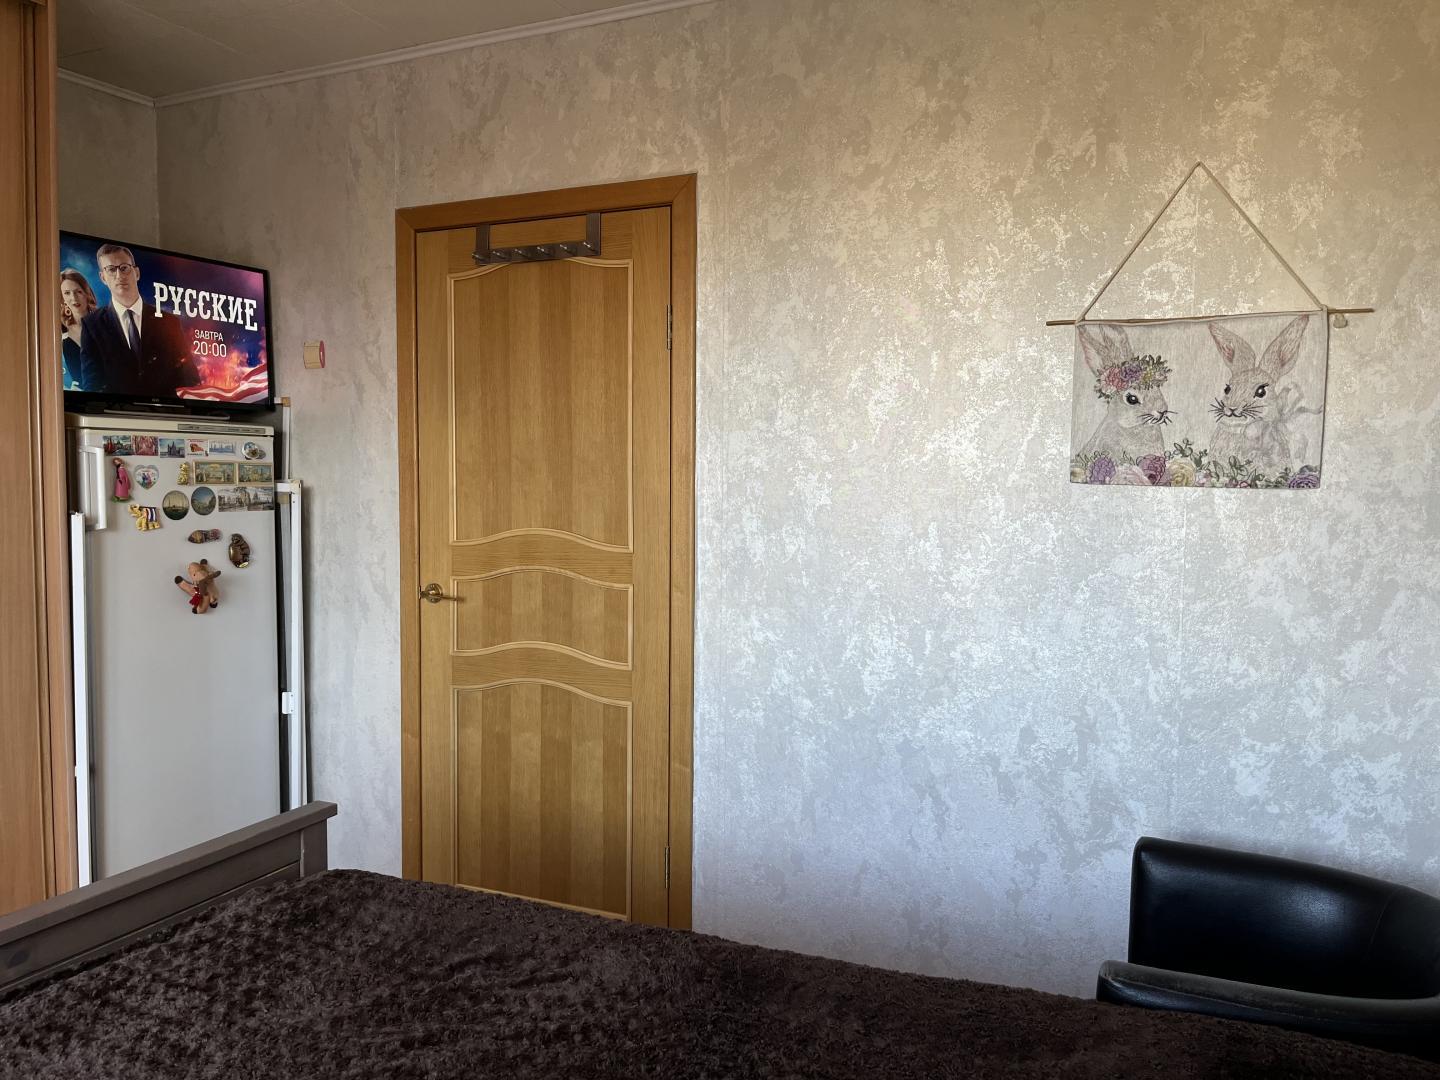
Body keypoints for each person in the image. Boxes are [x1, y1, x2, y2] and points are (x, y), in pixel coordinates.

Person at [78, 243, 199, 396]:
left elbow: (189, 378)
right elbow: (92, 387)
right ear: (103, 277)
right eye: (111, 269)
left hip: (166, 409)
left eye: (124, 268)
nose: (119, 275)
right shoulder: (91, 325)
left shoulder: (169, 322)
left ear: (136, 273)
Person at [59, 268, 99, 390]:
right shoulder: (58, 331)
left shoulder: (105, 323)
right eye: (67, 293)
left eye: (78, 292)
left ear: (87, 294)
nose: (74, 298)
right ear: (62, 298)